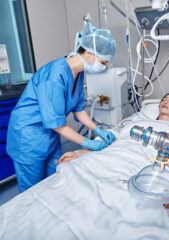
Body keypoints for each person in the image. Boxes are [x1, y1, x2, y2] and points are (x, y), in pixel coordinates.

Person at [6, 22, 116, 193]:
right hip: (28, 137)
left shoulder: (78, 73)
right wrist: (88, 143)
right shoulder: (54, 76)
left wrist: (98, 129)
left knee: (54, 182)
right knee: (32, 193)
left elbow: (79, 109)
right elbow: (57, 124)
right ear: (88, 54)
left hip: (50, 135)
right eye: (103, 62)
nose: (104, 67)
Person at [59, 93, 169, 209]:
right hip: (113, 155)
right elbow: (114, 141)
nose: (166, 102)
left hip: (142, 164)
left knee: (124, 199)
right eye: (164, 99)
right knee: (71, 182)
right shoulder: (136, 122)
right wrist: (83, 152)